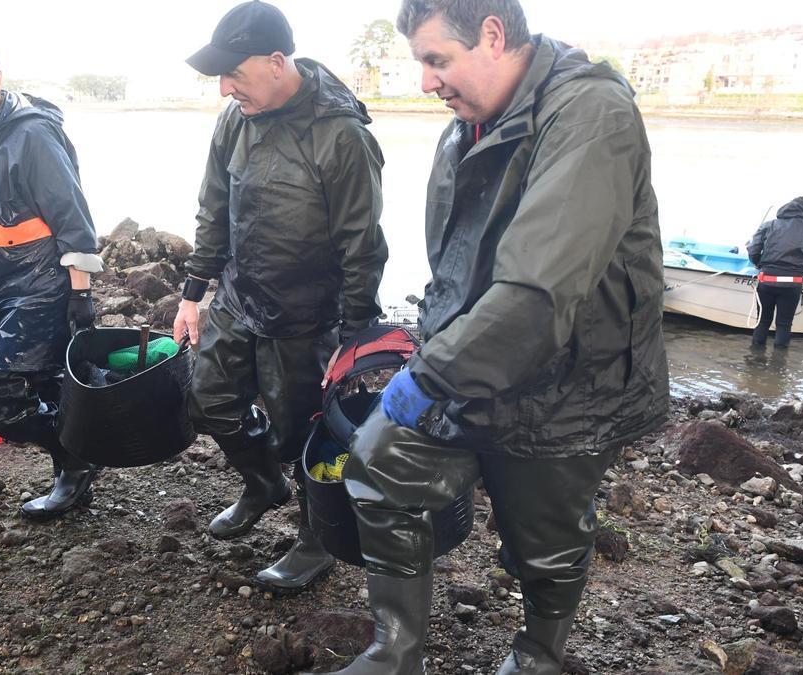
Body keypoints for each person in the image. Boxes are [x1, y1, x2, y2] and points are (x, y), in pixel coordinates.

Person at [323, 2, 669, 673]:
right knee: (379, 462)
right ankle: (396, 650)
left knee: (542, 540)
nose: (426, 81)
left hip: (570, 383)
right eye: (421, 62)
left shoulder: (592, 116)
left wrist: (422, 379)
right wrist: (423, 353)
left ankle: (539, 652)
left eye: (436, 59)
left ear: (490, 35)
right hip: (471, 363)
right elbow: (454, 269)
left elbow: (536, 295)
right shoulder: (464, 130)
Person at [174, 0, 389, 592]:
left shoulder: (342, 136)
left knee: (303, 433)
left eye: (233, 74)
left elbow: (362, 242)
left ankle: (316, 538)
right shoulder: (235, 119)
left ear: (276, 62)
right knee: (207, 399)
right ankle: (263, 483)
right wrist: (194, 291)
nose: (224, 88)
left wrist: (357, 333)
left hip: (307, 318)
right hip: (240, 298)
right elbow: (213, 206)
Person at [0, 37, 105, 521]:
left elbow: (73, 216)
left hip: (36, 280)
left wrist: (79, 292)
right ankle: (73, 476)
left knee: (1, 399)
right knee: (49, 383)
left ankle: (78, 459)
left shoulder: (32, 134)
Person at [746, 196, 803, 349]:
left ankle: (754, 363)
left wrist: (760, 264)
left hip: (767, 280)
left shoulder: (769, 225)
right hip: (792, 285)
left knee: (763, 321)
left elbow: (754, 251)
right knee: (784, 324)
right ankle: (779, 366)